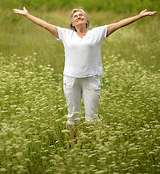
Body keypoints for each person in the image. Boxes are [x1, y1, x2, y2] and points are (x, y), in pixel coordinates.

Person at [13, 7, 157, 143]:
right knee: (73, 115)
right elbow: (44, 24)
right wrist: (27, 15)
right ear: (72, 23)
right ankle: (74, 146)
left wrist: (139, 16)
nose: (78, 17)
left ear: (86, 21)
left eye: (81, 15)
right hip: (71, 79)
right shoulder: (65, 34)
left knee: (92, 117)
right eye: (75, 16)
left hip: (91, 79)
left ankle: (95, 145)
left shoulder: (97, 33)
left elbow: (118, 24)